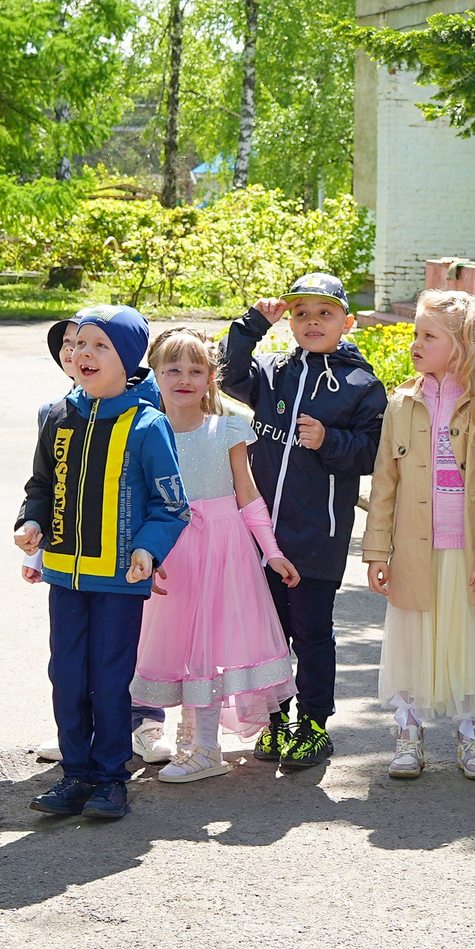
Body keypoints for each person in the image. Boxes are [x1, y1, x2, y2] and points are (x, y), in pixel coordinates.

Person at [14, 307, 189, 821]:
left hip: (118, 579)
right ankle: (74, 774)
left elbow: (172, 505)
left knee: (109, 678)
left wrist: (148, 549)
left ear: (128, 359)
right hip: (64, 574)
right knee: (66, 674)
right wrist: (32, 524)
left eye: (99, 346)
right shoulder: (57, 417)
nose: (83, 354)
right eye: (79, 344)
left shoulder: (147, 424)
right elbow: (40, 486)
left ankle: (111, 777)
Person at [222, 273, 386, 768]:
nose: (312, 322)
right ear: (288, 321)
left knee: (311, 631)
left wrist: (330, 441)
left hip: (319, 535)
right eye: (300, 313)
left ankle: (313, 725)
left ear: (347, 322)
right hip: (262, 533)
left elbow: (374, 452)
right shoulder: (271, 372)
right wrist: (253, 325)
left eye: (325, 313)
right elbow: (228, 374)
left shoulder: (361, 385)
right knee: (267, 631)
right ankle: (275, 720)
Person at [364, 289, 475, 779]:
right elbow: (385, 483)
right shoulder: (401, 404)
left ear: (459, 346)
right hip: (416, 550)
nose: (416, 343)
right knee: (413, 643)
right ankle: (408, 733)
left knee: (470, 646)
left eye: (428, 335)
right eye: (416, 333)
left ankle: (473, 735)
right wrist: (377, 550)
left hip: (465, 553)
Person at [129, 326, 297, 784]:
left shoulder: (227, 428)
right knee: (180, 644)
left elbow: (248, 493)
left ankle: (205, 748)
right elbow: (137, 495)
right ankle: (187, 739)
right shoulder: (143, 430)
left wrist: (272, 550)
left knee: (208, 648)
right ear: (156, 375)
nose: (184, 378)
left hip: (223, 548)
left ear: (211, 377)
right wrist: (144, 552)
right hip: (172, 549)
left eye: (196, 370)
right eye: (173, 369)